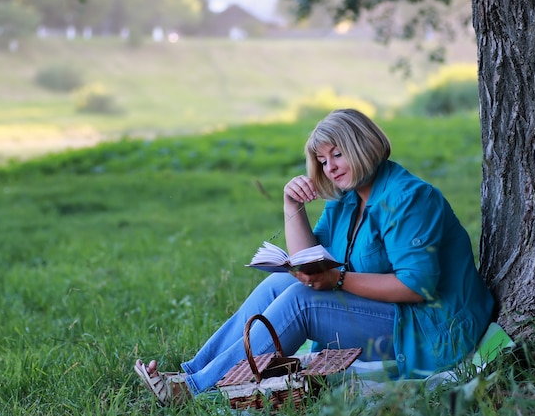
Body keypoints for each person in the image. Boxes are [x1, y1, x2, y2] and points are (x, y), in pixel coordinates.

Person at [134, 108, 495, 406]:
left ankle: (198, 391)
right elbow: (307, 259)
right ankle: (191, 373)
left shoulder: (408, 198)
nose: (330, 168)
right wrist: (293, 206)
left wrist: (337, 280)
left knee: (302, 301)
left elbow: (416, 286)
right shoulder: (348, 199)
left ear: (364, 146)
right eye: (322, 161)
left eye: (337, 154)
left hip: (429, 328)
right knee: (281, 281)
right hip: (392, 317)